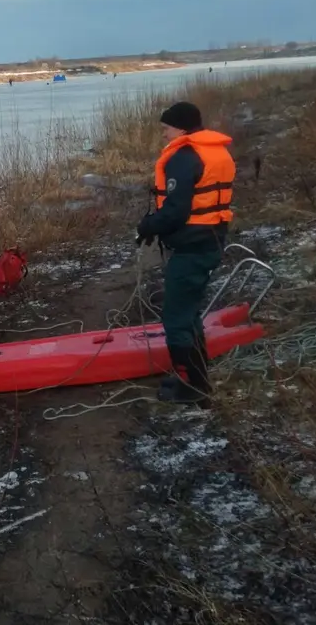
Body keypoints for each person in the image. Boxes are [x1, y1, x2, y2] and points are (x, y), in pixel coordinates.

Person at [135, 101, 235, 408]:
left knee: (176, 318)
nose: (164, 135)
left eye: (165, 129)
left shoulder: (184, 157)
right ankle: (197, 377)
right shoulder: (216, 151)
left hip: (193, 248)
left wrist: (148, 225)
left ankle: (194, 388)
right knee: (189, 313)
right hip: (208, 242)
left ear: (180, 127)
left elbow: (176, 211)